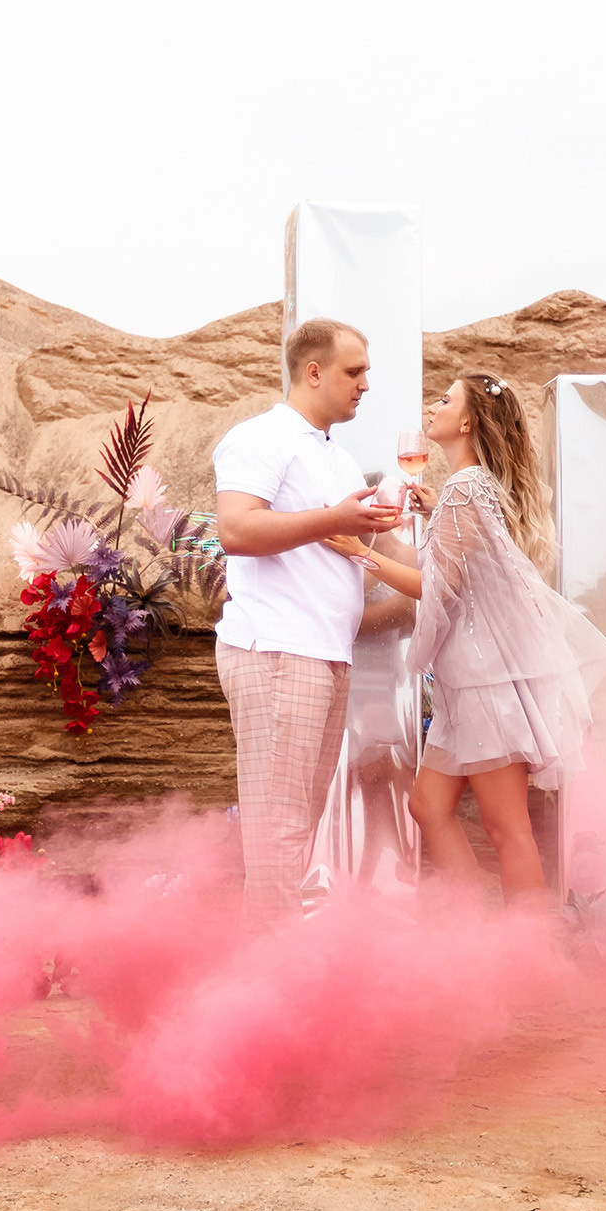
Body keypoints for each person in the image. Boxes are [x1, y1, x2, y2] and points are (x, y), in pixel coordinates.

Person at [326, 373, 606, 905]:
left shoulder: (465, 489)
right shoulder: (467, 489)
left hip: (484, 683)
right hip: (470, 681)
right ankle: (472, 937)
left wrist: (360, 552)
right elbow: (466, 567)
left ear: (467, 421)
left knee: (507, 827)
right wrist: (434, 515)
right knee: (429, 806)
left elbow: (438, 589)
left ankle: (526, 953)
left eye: (444, 399)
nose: (432, 408)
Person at [212, 318, 404, 922]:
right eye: (355, 372)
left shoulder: (340, 461)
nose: (366, 385)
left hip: (323, 654)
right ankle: (265, 986)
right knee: (277, 832)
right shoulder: (261, 438)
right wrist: (333, 519)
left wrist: (384, 545)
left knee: (299, 829)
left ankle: (277, 977)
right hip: (276, 651)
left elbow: (338, 567)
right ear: (312, 371)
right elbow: (236, 530)